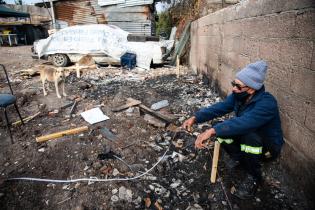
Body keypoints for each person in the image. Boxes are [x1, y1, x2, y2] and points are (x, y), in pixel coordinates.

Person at [182, 60, 284, 199]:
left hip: (267, 148)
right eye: (233, 84)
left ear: (252, 88)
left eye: (238, 86)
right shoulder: (239, 96)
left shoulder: (267, 103)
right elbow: (220, 108)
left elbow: (244, 123)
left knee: (246, 135)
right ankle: (242, 161)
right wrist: (196, 117)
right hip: (251, 137)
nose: (234, 88)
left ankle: (255, 177)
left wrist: (211, 131)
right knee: (220, 127)